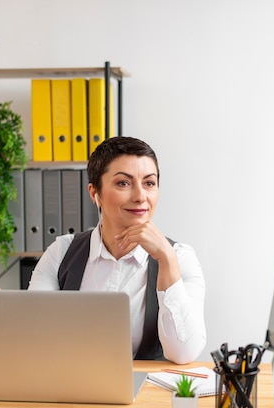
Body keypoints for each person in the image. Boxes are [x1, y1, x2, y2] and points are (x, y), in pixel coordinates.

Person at [28, 136, 206, 364]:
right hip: (72, 392)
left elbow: (184, 353)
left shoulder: (180, 257)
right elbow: (36, 335)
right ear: (95, 194)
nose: (141, 196)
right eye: (124, 183)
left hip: (146, 395)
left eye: (149, 183)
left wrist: (166, 260)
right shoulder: (61, 253)